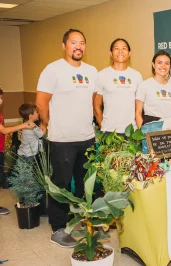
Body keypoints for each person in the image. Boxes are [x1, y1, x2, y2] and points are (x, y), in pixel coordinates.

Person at [35, 29, 98, 248]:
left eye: (82, 42)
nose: (78, 46)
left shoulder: (92, 71)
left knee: (85, 183)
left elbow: (92, 100)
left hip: (87, 137)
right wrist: (48, 123)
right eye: (73, 42)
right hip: (61, 140)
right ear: (64, 46)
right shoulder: (53, 70)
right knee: (60, 185)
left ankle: (81, 218)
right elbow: (41, 102)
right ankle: (58, 228)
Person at [94, 38, 143, 134]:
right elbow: (96, 105)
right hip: (108, 131)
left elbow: (140, 108)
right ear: (111, 53)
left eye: (124, 48)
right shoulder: (102, 75)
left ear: (129, 53)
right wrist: (103, 126)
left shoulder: (137, 76)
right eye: (116, 48)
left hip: (131, 132)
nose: (120, 51)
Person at [0, 87, 35, 215]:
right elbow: (3, 130)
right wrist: (24, 125)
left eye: (1, 97)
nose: (1, 101)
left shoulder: (0, 114)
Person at [135, 50, 171, 128]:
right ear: (153, 65)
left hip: (170, 129)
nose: (163, 66)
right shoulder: (144, 85)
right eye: (159, 63)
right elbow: (138, 113)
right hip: (151, 128)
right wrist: (143, 133)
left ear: (170, 66)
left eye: (167, 63)